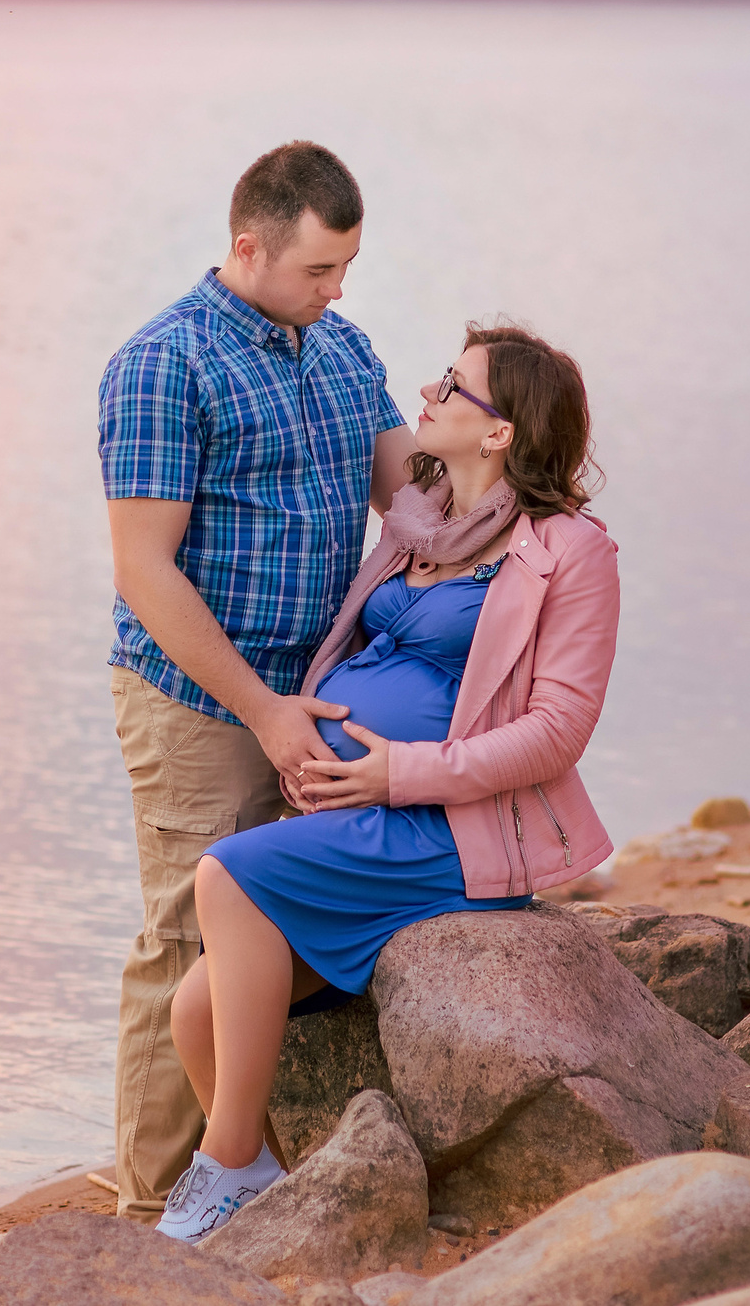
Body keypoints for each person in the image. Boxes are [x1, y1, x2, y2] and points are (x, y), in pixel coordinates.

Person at [153, 323, 619, 1243]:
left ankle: (224, 1167)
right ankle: (279, 1194)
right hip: (365, 810)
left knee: (224, 875)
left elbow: (557, 732)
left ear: (500, 433)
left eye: (456, 386)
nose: (431, 391)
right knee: (192, 1008)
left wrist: (394, 772)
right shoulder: (418, 525)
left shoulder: (569, 550)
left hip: (451, 828)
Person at [96, 141, 417, 1220]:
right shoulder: (164, 363)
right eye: (320, 269)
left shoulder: (340, 345)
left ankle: (260, 1161)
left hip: (320, 691)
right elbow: (143, 572)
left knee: (291, 926)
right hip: (199, 700)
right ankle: (152, 1203)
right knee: (189, 934)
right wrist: (263, 710)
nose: (338, 291)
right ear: (249, 247)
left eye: (348, 267)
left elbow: (413, 505)